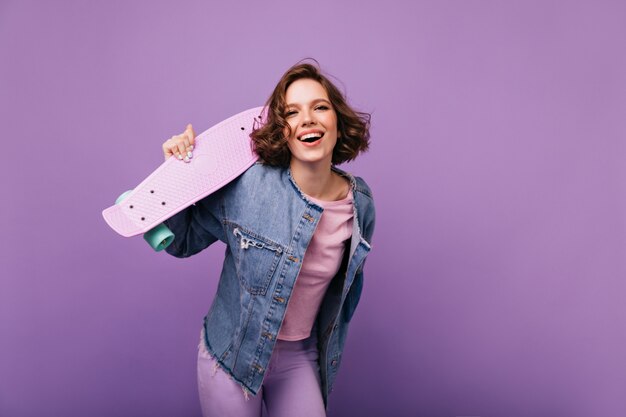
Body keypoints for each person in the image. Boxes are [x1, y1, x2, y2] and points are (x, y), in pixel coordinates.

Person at [160, 61, 375, 417]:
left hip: (299, 357)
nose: (307, 119)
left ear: (337, 121)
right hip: (232, 356)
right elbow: (180, 241)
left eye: (320, 107)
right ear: (283, 130)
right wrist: (176, 173)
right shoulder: (248, 186)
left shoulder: (360, 203)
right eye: (292, 112)